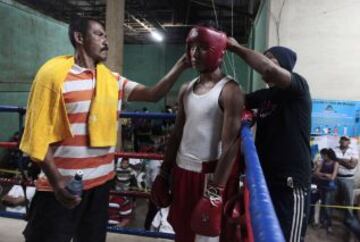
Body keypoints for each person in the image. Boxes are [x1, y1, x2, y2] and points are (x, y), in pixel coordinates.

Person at [19, 16, 189, 242]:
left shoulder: (112, 80)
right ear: (80, 38)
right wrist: (57, 181)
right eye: (99, 35)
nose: (106, 41)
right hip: (60, 188)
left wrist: (181, 64)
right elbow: (37, 132)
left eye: (106, 36)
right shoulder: (53, 76)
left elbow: (153, 93)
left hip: (99, 187)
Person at [151, 24, 244, 242]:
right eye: (192, 47)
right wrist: (165, 172)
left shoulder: (230, 90)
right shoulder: (186, 88)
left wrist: (215, 192)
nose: (194, 53)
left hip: (208, 177)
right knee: (182, 232)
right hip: (181, 172)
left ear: (218, 51)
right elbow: (176, 135)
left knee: (205, 237)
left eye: (202, 47)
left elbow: (231, 146)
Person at [227, 39, 312, 242]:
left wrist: (237, 48)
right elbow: (238, 99)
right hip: (266, 178)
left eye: (270, 59)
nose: (264, 62)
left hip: (290, 181)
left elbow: (268, 69)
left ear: (284, 65)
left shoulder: (298, 86)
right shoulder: (266, 96)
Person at [313, 148, 339, 233]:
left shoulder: (335, 163)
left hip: (330, 188)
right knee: (323, 206)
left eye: (323, 155)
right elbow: (316, 173)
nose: (321, 157)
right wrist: (325, 175)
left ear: (327, 155)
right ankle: (322, 222)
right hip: (322, 187)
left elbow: (332, 177)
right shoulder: (323, 162)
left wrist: (322, 175)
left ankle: (329, 225)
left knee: (327, 207)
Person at [334, 136, 359, 219]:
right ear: (339, 141)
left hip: (348, 179)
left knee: (349, 202)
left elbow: (352, 166)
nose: (344, 141)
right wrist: (347, 161)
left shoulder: (353, 151)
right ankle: (329, 222)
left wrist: (337, 160)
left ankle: (349, 221)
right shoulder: (334, 150)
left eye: (346, 140)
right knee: (332, 200)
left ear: (349, 142)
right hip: (335, 178)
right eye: (342, 139)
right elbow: (331, 162)